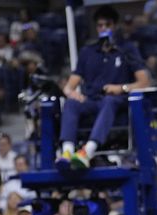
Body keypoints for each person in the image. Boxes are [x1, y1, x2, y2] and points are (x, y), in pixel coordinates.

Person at [56, 6, 150, 170]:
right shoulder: (87, 51)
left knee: (109, 100)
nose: (103, 29)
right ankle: (67, 151)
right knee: (71, 103)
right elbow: (69, 85)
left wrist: (122, 88)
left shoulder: (127, 49)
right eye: (100, 25)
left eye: (107, 25)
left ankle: (88, 151)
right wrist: (71, 93)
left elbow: (144, 82)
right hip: (91, 100)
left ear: (114, 26)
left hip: (117, 102)